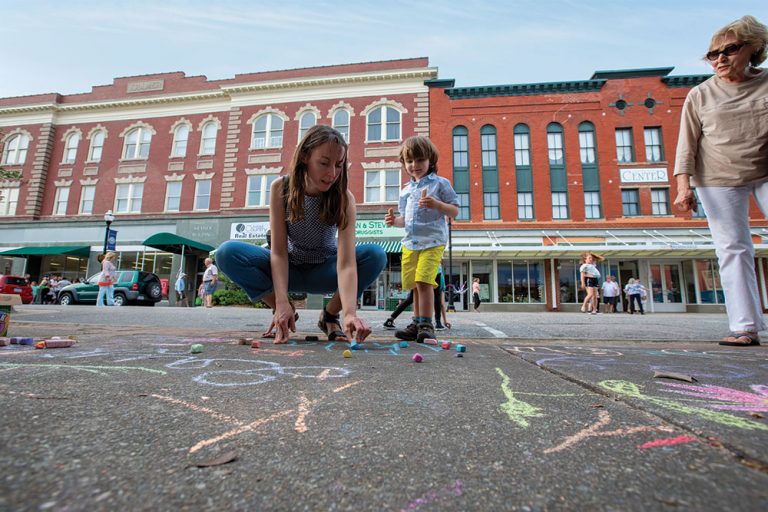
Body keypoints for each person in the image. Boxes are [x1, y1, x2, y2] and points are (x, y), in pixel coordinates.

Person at [216, 125, 387, 344]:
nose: (332, 173)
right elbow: (278, 252)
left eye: (339, 165)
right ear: (305, 156)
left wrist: (350, 313)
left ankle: (329, 315)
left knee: (375, 254)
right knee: (227, 253)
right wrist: (281, 302)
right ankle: (283, 311)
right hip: (290, 267)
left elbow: (346, 264)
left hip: (326, 269)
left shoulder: (344, 198)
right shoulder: (281, 188)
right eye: (324, 163)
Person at [673, 15, 768, 346]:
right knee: (733, 247)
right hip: (716, 177)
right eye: (713, 54)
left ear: (754, 48)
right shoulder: (699, 95)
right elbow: (686, 145)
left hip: (764, 171)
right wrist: (684, 188)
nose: (720, 59)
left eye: (729, 50)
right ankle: (745, 326)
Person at [385, 136, 459, 342]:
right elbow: (405, 220)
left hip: (433, 241)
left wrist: (437, 205)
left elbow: (454, 210)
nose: (414, 165)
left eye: (419, 160)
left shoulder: (440, 184)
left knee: (424, 281)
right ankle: (417, 322)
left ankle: (427, 325)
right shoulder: (406, 191)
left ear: (430, 160)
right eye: (409, 161)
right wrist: (394, 221)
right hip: (410, 243)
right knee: (414, 285)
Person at [383, 263, 450, 330]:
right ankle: (437, 323)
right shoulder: (440, 276)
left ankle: (391, 319)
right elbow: (441, 304)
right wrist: (444, 320)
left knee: (410, 298)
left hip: (419, 270)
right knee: (436, 296)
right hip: (434, 269)